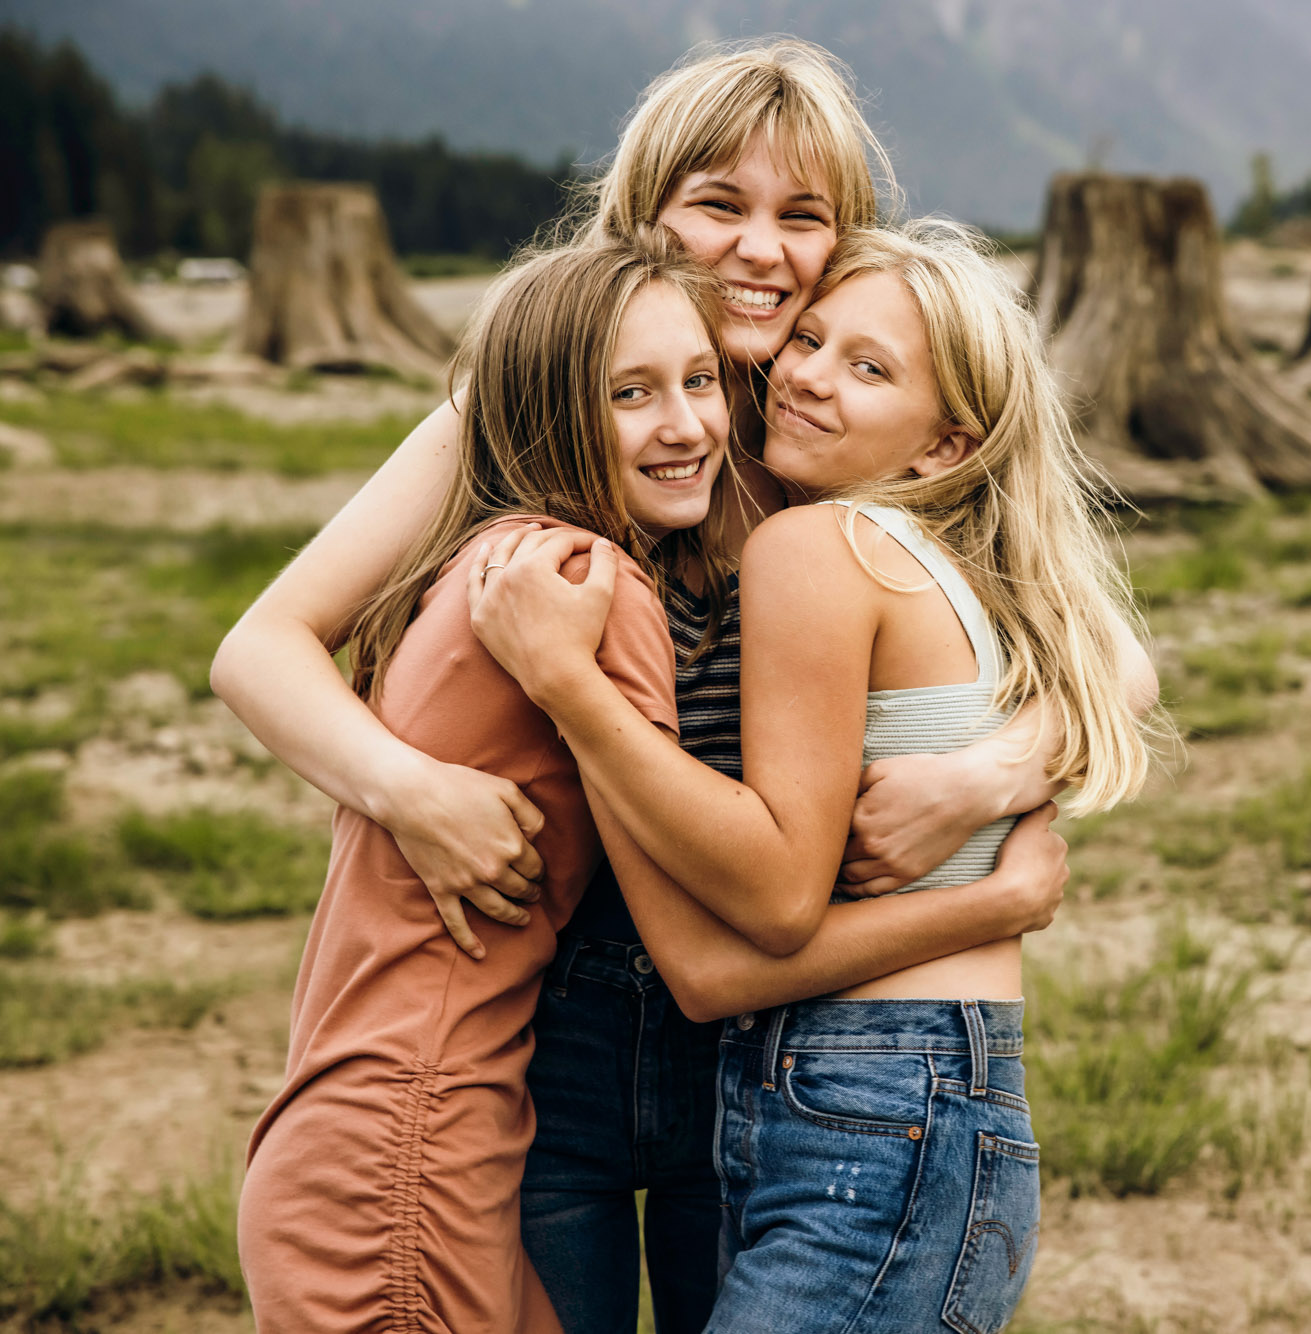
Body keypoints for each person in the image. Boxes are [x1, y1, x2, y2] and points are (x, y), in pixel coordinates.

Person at [212, 39, 1100, 1332]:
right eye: (717, 204)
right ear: (644, 215)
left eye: (805, 216)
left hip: (748, 1034)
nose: (760, 249)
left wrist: (998, 768)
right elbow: (261, 644)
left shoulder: (834, 446)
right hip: (550, 1026)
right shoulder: (539, 404)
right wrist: (410, 792)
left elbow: (1073, 634)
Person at [466, 219, 1162, 1333]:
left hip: (870, 1093)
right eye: (812, 340)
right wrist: (993, 836)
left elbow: (777, 900)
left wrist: (569, 686)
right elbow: (1119, 665)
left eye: (867, 367)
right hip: (920, 1094)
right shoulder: (955, 564)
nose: (804, 377)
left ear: (943, 444)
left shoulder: (816, 545)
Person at [235, 232, 716, 1333]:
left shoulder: (482, 559)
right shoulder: (584, 584)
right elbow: (698, 927)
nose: (684, 423)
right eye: (631, 393)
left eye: (699, 381)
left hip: (373, 1131)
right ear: (549, 412)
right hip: (405, 1154)